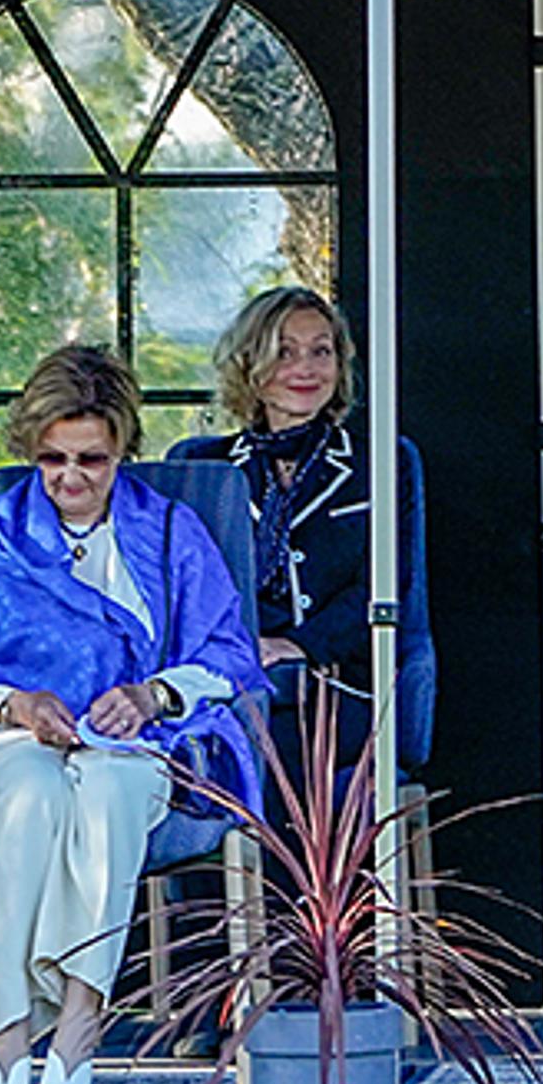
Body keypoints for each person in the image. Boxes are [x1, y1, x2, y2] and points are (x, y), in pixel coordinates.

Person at [0, 343, 263, 1084]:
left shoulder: (170, 533)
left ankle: (76, 1031)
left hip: (134, 743)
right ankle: (7, 1042)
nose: (70, 478)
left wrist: (152, 694)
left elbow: (229, 654)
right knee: (31, 799)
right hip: (13, 738)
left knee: (108, 793)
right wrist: (18, 704)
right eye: (52, 459)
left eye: (92, 460)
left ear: (122, 450)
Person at [166, 285, 412, 776]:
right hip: (224, 677)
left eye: (321, 352)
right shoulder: (205, 467)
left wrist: (298, 647)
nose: (306, 369)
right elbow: (180, 590)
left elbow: (384, 588)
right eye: (284, 352)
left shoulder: (379, 463)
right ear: (249, 366)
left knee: (268, 742)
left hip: (331, 680)